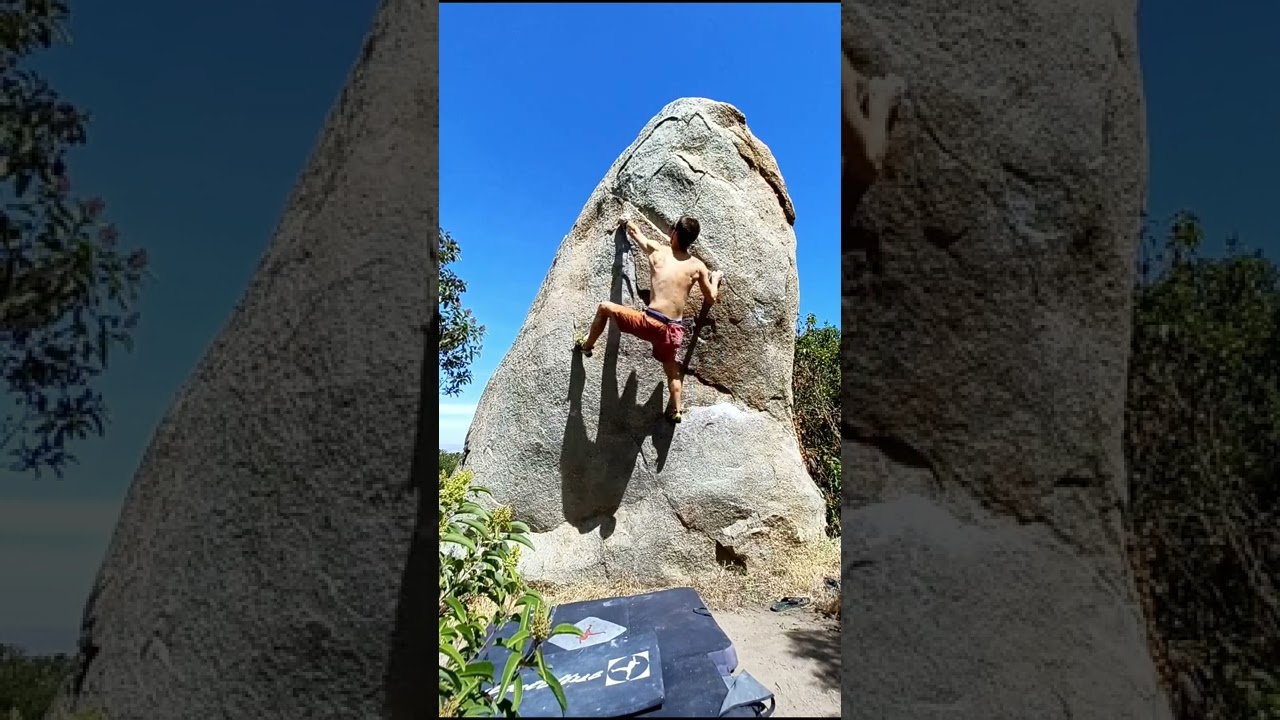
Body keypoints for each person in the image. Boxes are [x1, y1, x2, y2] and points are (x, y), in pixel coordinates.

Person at [574, 214, 722, 423]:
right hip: (672, 332)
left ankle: (587, 346)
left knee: (605, 307)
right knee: (672, 371)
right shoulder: (697, 267)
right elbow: (711, 297)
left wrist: (626, 221)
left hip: (649, 323)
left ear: (674, 233)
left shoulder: (658, 251)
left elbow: (636, 233)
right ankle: (677, 410)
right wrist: (715, 278)